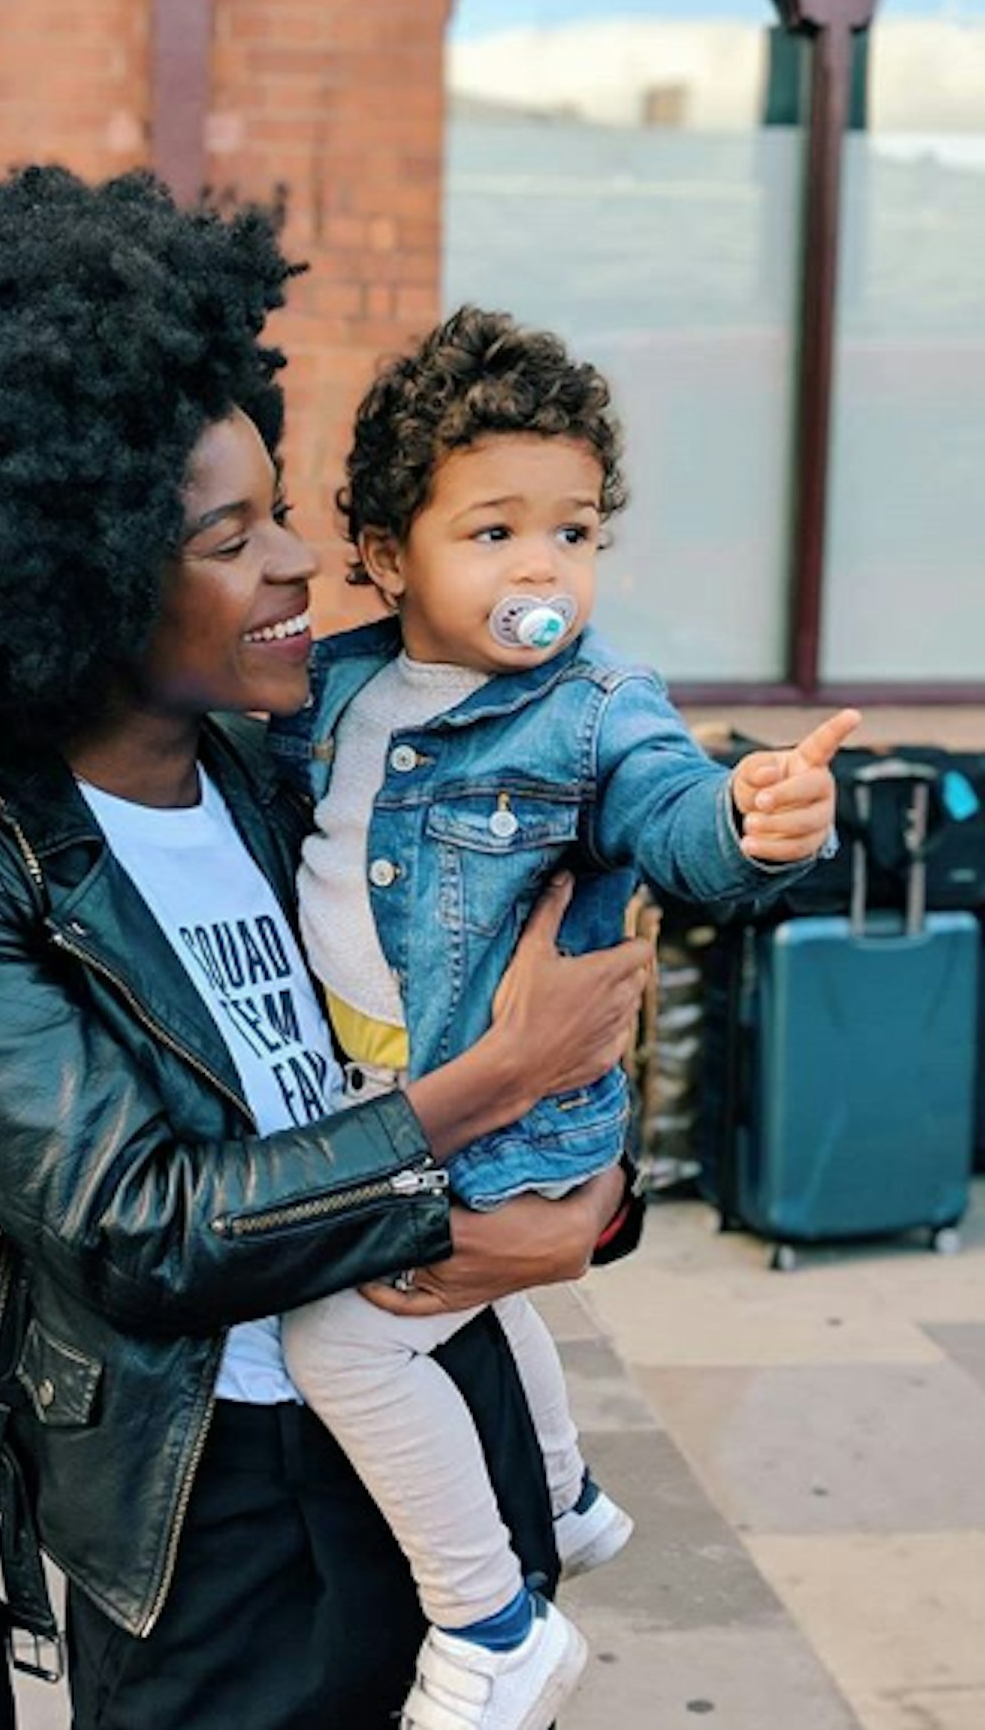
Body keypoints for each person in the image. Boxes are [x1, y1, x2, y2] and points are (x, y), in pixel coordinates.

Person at [0, 170, 653, 1730]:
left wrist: (592, 1204)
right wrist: (485, 1104)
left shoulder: (279, 759)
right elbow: (138, 1229)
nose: (299, 563)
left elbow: (499, 988)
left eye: (283, 509)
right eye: (233, 537)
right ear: (78, 571)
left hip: (438, 1416)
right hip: (205, 1511)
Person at [268, 305, 860, 1730]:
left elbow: (677, 822)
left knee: (335, 1345)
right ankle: (569, 1494)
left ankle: (492, 1625)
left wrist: (757, 822)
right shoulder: (334, 687)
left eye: (575, 532)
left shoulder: (597, 712)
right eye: (494, 533)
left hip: (505, 1121)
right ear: (388, 554)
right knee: (486, 1307)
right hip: (385, 1100)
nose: (544, 567)